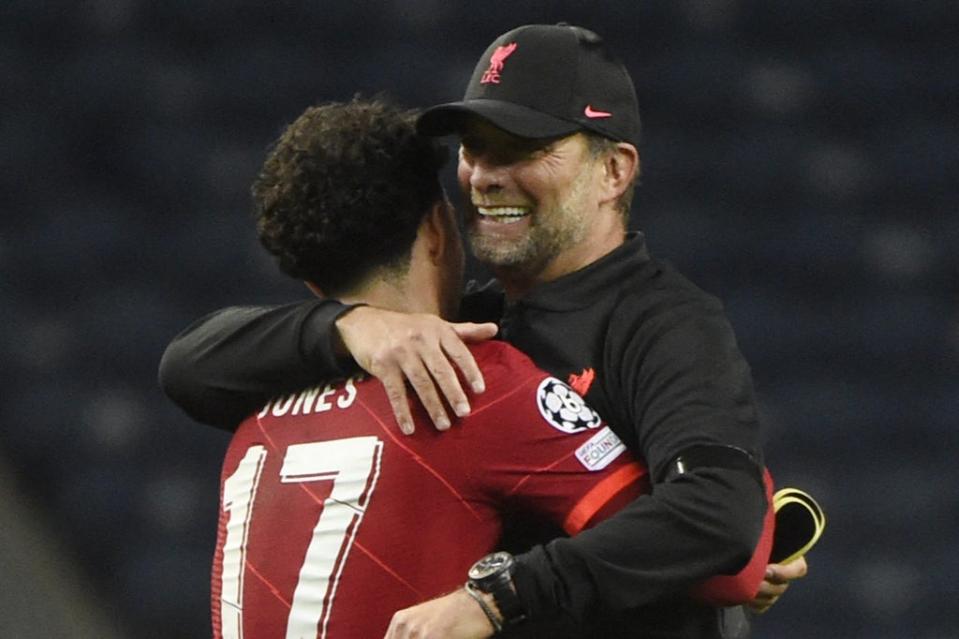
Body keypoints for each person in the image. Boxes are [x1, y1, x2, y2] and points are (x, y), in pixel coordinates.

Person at [160, 24, 804, 639]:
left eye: (524, 149)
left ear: (615, 172)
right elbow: (188, 366)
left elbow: (718, 518)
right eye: (474, 150)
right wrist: (348, 325)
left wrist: (498, 598)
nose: (487, 176)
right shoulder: (450, 328)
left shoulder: (663, 322)